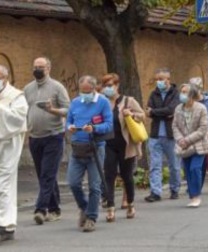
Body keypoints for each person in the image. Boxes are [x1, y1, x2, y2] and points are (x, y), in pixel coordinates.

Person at [24, 57, 70, 225]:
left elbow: (68, 109)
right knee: (44, 175)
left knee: (47, 174)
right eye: (35, 66)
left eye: (41, 67)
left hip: (54, 136)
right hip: (35, 137)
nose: (37, 69)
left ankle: (40, 209)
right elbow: (23, 110)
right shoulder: (28, 88)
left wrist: (53, 110)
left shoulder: (57, 87)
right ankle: (55, 208)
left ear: (48, 68)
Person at [66, 75, 113, 232]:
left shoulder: (103, 102)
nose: (84, 94)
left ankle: (91, 217)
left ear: (94, 89)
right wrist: (70, 127)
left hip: (95, 148)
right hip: (77, 146)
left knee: (94, 185)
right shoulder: (74, 102)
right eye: (82, 91)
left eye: (87, 91)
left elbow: (108, 125)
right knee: (73, 182)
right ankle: (84, 207)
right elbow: (68, 121)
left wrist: (94, 128)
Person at [101, 73, 145, 222]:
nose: (107, 88)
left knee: (127, 176)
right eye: (105, 85)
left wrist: (131, 114)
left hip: (126, 145)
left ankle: (131, 204)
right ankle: (110, 208)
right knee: (109, 175)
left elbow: (142, 115)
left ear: (117, 85)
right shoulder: (102, 102)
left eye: (110, 85)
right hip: (108, 144)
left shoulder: (128, 101)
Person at [0, 65, 28, 244]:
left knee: (3, 183)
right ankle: (0, 222)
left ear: (6, 78)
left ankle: (0, 226)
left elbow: (17, 119)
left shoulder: (17, 96)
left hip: (7, 145)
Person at [172, 84, 208, 207]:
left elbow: (203, 128)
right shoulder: (178, 108)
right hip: (184, 146)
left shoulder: (201, 108)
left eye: (185, 92)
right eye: (182, 91)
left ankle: (196, 196)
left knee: (195, 168)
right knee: (188, 170)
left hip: (199, 144)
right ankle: (192, 194)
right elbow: (175, 126)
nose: (182, 94)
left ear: (192, 95)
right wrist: (180, 139)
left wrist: (188, 140)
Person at [145, 68, 181, 202]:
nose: (158, 82)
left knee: (174, 165)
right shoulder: (153, 94)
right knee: (155, 165)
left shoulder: (175, 94)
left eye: (161, 79)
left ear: (168, 80)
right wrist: (160, 112)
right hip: (155, 134)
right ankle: (155, 192)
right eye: (157, 79)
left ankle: (175, 189)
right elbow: (148, 111)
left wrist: (154, 111)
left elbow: (172, 109)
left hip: (171, 135)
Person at [189, 77, 208, 187]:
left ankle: (198, 183)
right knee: (189, 160)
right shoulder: (188, 102)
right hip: (190, 135)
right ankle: (193, 183)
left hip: (205, 135)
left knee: (202, 161)